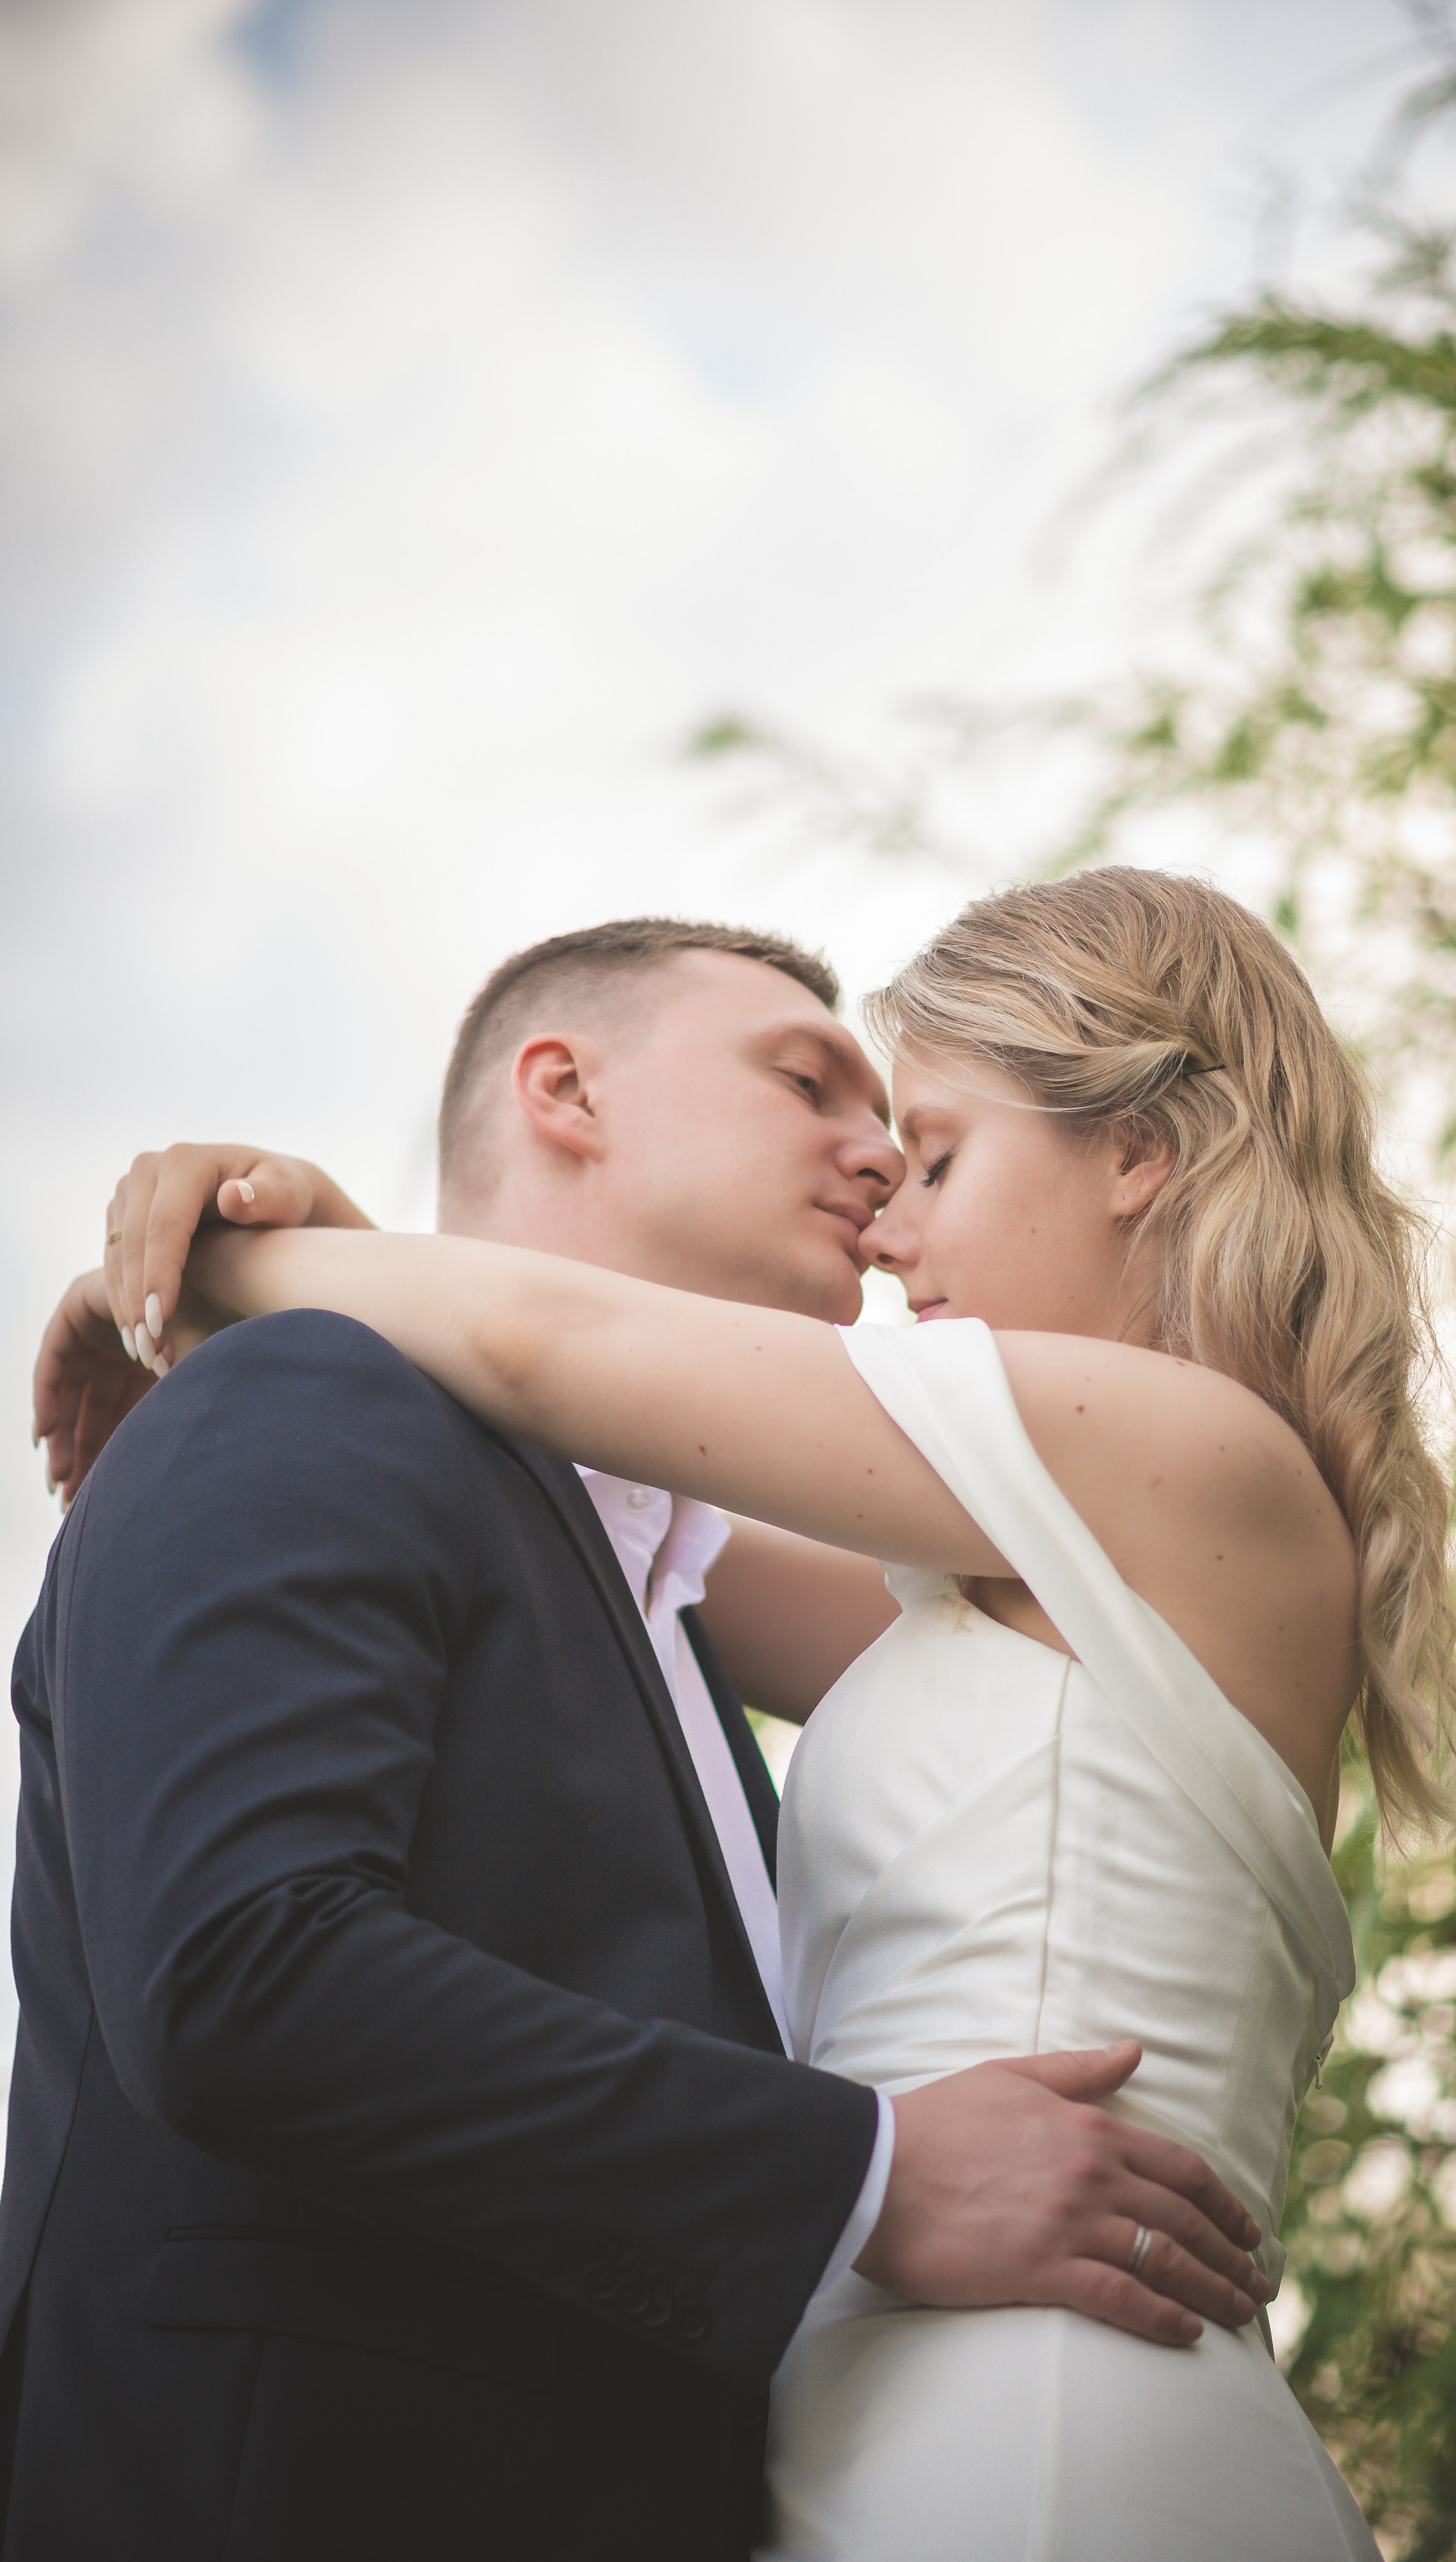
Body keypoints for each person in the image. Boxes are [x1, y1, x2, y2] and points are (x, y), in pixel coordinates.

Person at [13, 914, 1268, 2562]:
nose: (877, 1152)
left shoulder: (675, 1601)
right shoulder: (302, 1391)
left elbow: (553, 1369)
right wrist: (873, 2177)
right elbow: (242, 1966)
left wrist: (292, 1245)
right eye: (805, 1077)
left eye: (914, 1130)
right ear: (564, 1090)